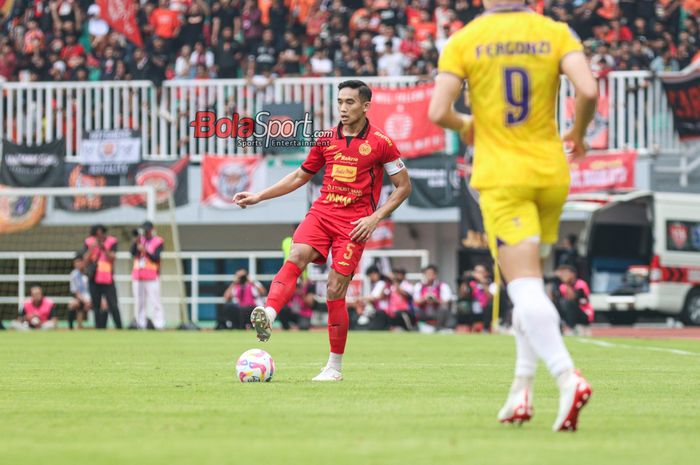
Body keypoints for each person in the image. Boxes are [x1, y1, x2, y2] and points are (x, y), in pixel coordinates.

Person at [429, 0, 597, 431]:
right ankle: (521, 392)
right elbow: (589, 91)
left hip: (504, 177)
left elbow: (437, 112)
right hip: (551, 173)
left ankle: (566, 375)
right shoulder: (555, 31)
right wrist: (577, 134)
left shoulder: (464, 40)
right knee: (527, 284)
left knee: (522, 287)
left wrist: (467, 124)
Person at [233, 79, 412, 381]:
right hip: (322, 212)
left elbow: (403, 187)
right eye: (340, 101)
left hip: (353, 224)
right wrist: (259, 195)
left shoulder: (382, 143)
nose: (343, 108)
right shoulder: (326, 139)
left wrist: (374, 218)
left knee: (333, 290)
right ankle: (270, 314)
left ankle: (334, 367)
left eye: (350, 102)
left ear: (366, 105)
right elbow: (300, 176)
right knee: (297, 255)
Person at [82, 224, 122, 329]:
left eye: (100, 232)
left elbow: (113, 257)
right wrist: (92, 248)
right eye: (96, 233)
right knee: (96, 306)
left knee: (113, 304)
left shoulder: (112, 241)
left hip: (107, 278)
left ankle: (119, 327)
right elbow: (85, 260)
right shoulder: (89, 242)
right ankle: (98, 328)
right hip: (94, 278)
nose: (99, 235)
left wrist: (104, 248)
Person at [130, 221, 165, 330]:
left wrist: (145, 251)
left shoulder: (158, 241)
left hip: (151, 276)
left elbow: (156, 257)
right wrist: (135, 242)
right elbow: (132, 253)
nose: (145, 231)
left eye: (147, 229)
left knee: (155, 301)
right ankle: (141, 323)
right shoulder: (139, 240)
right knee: (139, 302)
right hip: (138, 276)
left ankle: (159, 324)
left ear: (151, 229)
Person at [412, 265, 454, 332]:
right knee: (415, 311)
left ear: (435, 275)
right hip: (423, 312)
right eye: (427, 274)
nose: (429, 276)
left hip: (437, 312)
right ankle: (417, 328)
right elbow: (415, 301)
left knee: (443, 310)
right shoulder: (418, 286)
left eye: (431, 274)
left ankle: (439, 329)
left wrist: (435, 300)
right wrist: (424, 298)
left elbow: (447, 302)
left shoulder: (443, 286)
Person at [555, 265, 594, 336]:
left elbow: (573, 298)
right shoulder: (562, 286)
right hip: (570, 313)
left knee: (567, 303)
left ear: (573, 274)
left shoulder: (581, 284)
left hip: (584, 314)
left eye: (566, 273)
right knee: (558, 303)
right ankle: (559, 328)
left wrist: (566, 283)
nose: (564, 276)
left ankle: (571, 328)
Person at [68, 253, 91, 330]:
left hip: (93, 297)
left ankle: (101, 328)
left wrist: (90, 300)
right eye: (75, 262)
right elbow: (76, 292)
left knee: (104, 304)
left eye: (79, 261)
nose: (77, 264)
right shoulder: (73, 274)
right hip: (81, 298)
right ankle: (71, 328)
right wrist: (85, 301)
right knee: (72, 304)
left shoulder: (90, 271)